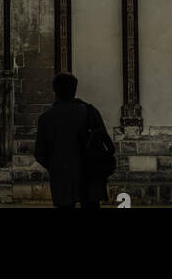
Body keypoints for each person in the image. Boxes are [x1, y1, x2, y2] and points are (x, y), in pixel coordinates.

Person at [34, 71, 113, 209]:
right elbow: (103, 142)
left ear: (55, 90)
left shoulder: (46, 118)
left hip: (62, 178)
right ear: (74, 89)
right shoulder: (90, 111)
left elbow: (40, 153)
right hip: (89, 175)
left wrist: (56, 165)